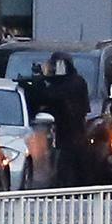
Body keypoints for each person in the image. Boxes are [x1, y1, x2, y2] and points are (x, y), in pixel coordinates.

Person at [32, 52, 91, 186]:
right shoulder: (78, 81)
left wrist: (41, 79)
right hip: (75, 131)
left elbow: (49, 96)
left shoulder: (68, 85)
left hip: (69, 131)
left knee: (67, 164)